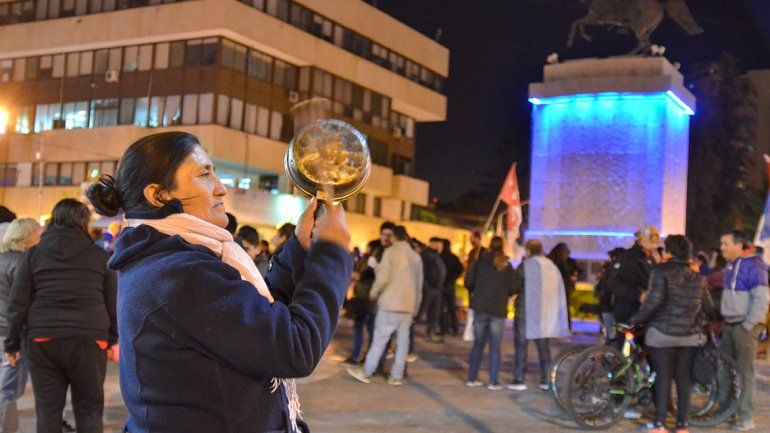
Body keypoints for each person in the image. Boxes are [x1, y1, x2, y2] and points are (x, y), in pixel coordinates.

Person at [86, 131, 353, 433]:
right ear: (159, 195)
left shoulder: (169, 258)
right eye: (204, 175)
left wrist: (298, 251)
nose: (221, 189)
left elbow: (252, 321)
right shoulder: (180, 273)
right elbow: (293, 347)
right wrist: (331, 253)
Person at [3, 199, 117, 433]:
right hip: (90, 339)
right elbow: (111, 301)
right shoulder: (99, 256)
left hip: (43, 339)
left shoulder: (33, 255)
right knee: (89, 409)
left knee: (48, 410)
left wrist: (12, 341)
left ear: (54, 220)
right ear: (83, 222)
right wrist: (113, 339)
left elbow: (19, 302)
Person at [630, 235, 715, 433]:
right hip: (689, 337)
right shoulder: (698, 277)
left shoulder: (661, 271)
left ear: (669, 252)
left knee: (663, 377)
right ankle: (682, 426)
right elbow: (709, 307)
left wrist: (635, 320)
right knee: (684, 380)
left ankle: (659, 424)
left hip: (662, 335)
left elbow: (653, 302)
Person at [346, 225, 423, 386]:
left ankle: (367, 371)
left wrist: (374, 293)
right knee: (403, 342)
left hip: (390, 303)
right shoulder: (415, 257)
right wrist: (415, 307)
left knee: (380, 339)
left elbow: (383, 278)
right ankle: (396, 375)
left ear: (394, 237)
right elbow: (418, 285)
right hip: (408, 306)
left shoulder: (391, 252)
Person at [718, 229, 769, 431]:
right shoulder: (731, 265)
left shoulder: (755, 266)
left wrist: (747, 326)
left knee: (744, 372)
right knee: (726, 371)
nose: (722, 248)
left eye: (725, 244)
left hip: (745, 327)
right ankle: (726, 411)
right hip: (730, 324)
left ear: (739, 245)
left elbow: (762, 299)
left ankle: (746, 417)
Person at [508, 239, 569, 391]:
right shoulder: (550, 266)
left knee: (521, 346)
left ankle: (519, 379)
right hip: (543, 313)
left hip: (524, 311)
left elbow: (514, 286)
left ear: (528, 250)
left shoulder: (525, 265)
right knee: (543, 347)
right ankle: (546, 380)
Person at [0, 218, 42, 433]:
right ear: (27, 238)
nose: (41, 239)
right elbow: (20, 303)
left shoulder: (2, 259)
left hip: (4, 330)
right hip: (11, 333)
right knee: (9, 389)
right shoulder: (22, 263)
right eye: (38, 235)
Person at [464, 236, 516, 390]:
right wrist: (504, 295)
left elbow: (468, 282)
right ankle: (493, 381)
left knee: (478, 344)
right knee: (495, 345)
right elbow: (514, 286)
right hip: (498, 309)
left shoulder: (479, 262)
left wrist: (477, 292)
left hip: (480, 306)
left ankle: (472, 377)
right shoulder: (506, 265)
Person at [608, 225, 660, 323]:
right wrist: (638, 295)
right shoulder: (626, 258)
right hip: (628, 313)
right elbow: (614, 283)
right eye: (654, 237)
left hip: (647, 313)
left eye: (658, 237)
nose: (657, 240)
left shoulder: (651, 259)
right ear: (643, 238)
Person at [342, 240, 378, 365]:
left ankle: (358, 356)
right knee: (368, 329)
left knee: (361, 327)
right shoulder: (372, 260)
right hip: (367, 300)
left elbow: (367, 275)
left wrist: (357, 276)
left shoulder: (371, 261)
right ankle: (364, 356)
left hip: (365, 300)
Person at [413, 239, 446, 343]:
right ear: (434, 244)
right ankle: (409, 331)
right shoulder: (426, 255)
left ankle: (431, 333)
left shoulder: (436, 256)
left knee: (434, 313)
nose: (441, 248)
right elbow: (423, 272)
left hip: (437, 288)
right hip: (429, 289)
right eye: (440, 245)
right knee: (420, 311)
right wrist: (426, 287)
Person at [430, 238, 463, 336]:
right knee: (452, 309)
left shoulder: (439, 257)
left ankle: (443, 329)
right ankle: (455, 329)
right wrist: (454, 278)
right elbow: (460, 269)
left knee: (441, 309)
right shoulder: (454, 257)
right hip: (450, 286)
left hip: (442, 285)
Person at [547, 243, 582, 331]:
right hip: (564, 287)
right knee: (564, 308)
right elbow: (580, 271)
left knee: (557, 307)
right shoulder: (567, 261)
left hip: (559, 286)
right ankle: (564, 327)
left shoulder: (553, 260)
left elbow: (580, 271)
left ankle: (557, 327)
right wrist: (574, 277)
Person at [594, 248, 625, 341]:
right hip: (612, 306)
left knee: (610, 334)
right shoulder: (615, 269)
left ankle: (611, 352)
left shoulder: (608, 269)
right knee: (614, 335)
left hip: (607, 306)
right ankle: (612, 353)